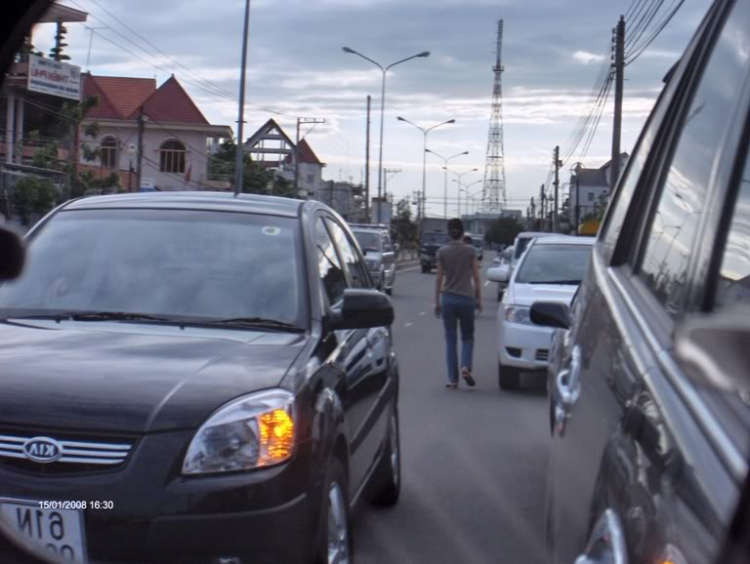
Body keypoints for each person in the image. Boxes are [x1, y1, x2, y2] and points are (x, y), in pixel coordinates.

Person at [435, 218, 482, 389]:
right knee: (468, 336)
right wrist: (479, 299)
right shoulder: (470, 251)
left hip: (448, 298)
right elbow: (476, 277)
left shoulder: (442, 252)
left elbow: (439, 278)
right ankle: (465, 366)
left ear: (449, 232)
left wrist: (436, 302)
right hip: (466, 298)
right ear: (463, 232)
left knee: (450, 340)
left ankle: (452, 379)